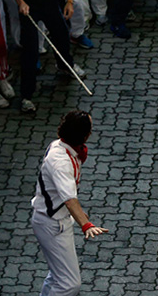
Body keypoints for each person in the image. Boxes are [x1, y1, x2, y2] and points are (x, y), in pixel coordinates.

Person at [32, 110, 109, 296]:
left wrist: (79, 216)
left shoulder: (60, 147)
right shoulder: (61, 161)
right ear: (85, 135)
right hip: (52, 223)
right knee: (69, 284)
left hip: (55, 220)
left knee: (57, 276)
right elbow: (69, 199)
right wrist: (86, 224)